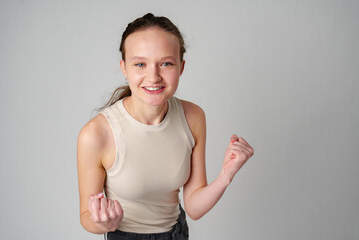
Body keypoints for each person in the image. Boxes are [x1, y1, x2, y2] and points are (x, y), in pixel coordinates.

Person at [77, 13, 254, 240]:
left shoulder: (193, 117)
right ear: (124, 68)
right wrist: (103, 223)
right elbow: (86, 216)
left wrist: (226, 174)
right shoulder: (96, 134)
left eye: (166, 63)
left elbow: (193, 207)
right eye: (140, 64)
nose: (153, 76)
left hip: (176, 234)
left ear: (181, 67)